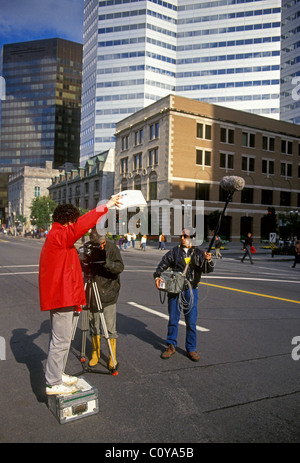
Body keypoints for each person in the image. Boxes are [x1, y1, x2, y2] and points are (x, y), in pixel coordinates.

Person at [39, 196, 120, 396]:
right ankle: (52, 382)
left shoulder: (57, 236)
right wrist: (106, 207)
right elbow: (81, 226)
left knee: (64, 339)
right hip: (62, 296)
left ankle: (57, 373)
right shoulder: (59, 234)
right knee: (61, 340)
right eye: (74, 222)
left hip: (66, 295)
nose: (75, 225)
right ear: (69, 221)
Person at [153, 228, 213, 362]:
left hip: (191, 289)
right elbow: (161, 265)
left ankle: (191, 349)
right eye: (181, 235)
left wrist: (208, 260)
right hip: (175, 289)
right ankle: (171, 345)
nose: (182, 238)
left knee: (191, 321)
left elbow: (207, 270)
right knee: (173, 318)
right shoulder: (174, 252)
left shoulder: (198, 253)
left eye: (185, 236)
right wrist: (157, 277)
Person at [84, 228, 124, 371]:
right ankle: (95, 352)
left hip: (108, 292)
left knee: (109, 327)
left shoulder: (112, 248)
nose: (100, 245)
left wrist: (106, 262)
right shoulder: (88, 247)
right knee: (94, 325)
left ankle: (112, 356)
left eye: (101, 243)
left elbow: (120, 267)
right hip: (92, 292)